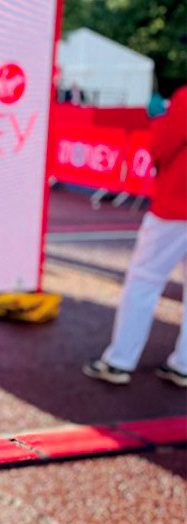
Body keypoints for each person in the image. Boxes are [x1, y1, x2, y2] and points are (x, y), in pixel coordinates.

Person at [84, 85, 187, 388]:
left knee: (144, 280)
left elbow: (162, 146)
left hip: (176, 201)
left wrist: (159, 121)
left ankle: (119, 361)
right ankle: (183, 365)